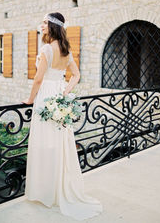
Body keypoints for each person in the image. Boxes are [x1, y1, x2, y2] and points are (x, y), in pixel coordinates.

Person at [23, 12, 102, 220]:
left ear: (53, 27)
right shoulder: (66, 50)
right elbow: (76, 75)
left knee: (43, 143)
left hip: (45, 99)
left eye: (45, 23)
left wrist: (30, 100)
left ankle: (44, 191)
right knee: (58, 144)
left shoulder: (47, 49)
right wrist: (64, 93)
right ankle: (57, 189)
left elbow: (38, 80)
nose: (41, 26)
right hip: (58, 97)